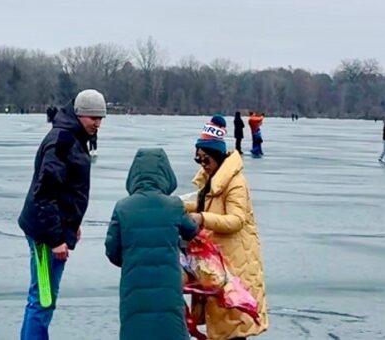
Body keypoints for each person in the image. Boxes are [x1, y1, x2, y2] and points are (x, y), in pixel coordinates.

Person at [18, 89, 106, 340]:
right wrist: (56, 238)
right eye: (93, 117)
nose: (97, 123)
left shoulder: (75, 137)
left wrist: (72, 222)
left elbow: (67, 190)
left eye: (100, 118)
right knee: (43, 298)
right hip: (45, 233)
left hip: (53, 227)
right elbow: (44, 194)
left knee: (43, 297)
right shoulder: (63, 141)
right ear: (79, 115)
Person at [183, 115, 268, 339]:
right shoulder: (212, 180)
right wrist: (183, 208)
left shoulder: (235, 182)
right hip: (219, 262)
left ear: (217, 156)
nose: (203, 164)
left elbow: (235, 220)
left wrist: (202, 218)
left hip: (236, 264)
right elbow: (207, 206)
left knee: (233, 327)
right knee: (222, 325)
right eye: (199, 159)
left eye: (206, 159)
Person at [105, 148, 198, 340]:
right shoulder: (173, 205)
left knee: (136, 329)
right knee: (170, 328)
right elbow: (191, 230)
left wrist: (131, 260)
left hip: (134, 283)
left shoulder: (123, 207)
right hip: (168, 283)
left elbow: (112, 250)